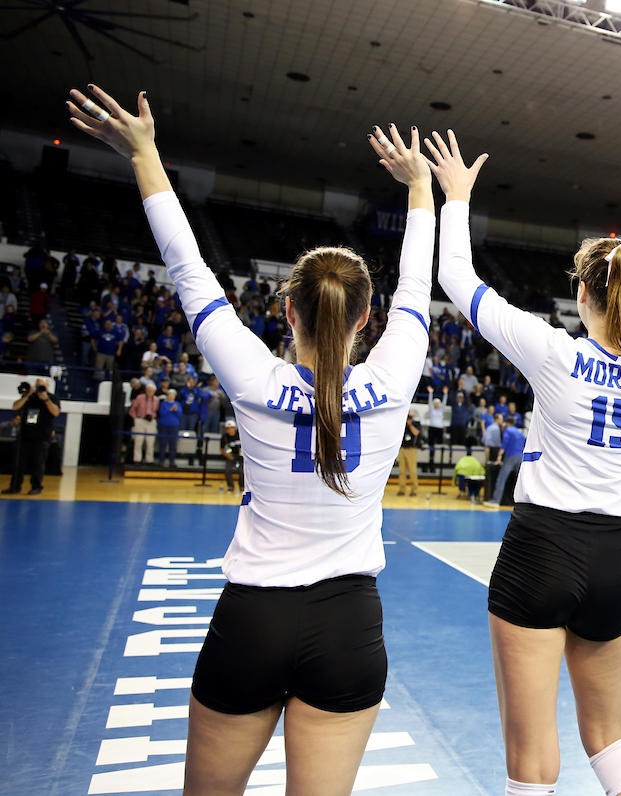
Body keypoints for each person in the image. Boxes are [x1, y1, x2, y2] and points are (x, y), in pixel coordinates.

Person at [66, 85, 435, 794]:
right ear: (365, 320)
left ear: (288, 311)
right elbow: (417, 288)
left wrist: (144, 153)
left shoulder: (254, 378)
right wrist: (420, 189)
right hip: (349, 625)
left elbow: (188, 270)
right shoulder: (393, 380)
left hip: (254, 618)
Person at [427, 127, 621, 796]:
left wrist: (457, 197)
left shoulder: (554, 351)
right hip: (615, 554)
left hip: (542, 547)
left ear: (582, 296)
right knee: (612, 743)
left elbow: (455, 277)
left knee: (531, 760)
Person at [2, 378, 60, 495]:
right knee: (18, 463)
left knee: (38, 464)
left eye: (42, 386)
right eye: (38, 385)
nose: (39, 388)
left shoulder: (52, 398)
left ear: (47, 386)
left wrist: (46, 399)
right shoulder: (30, 397)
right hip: (25, 435)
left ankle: (36, 486)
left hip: (42, 436)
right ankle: (15, 486)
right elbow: (15, 407)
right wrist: (27, 394)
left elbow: (55, 412)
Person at [486, 416, 526, 508]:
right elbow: (524, 445)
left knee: (501, 479)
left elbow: (505, 443)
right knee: (521, 481)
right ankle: (525, 503)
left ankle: (495, 501)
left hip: (511, 456)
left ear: (507, 423)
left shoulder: (507, 430)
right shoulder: (520, 432)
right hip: (520, 456)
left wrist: (499, 455)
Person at [128, 382, 160, 464]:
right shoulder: (140, 397)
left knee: (150, 442)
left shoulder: (156, 399)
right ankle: (137, 459)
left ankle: (149, 460)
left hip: (151, 421)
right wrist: (135, 418)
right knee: (138, 441)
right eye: (148, 390)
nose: (150, 392)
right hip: (140, 420)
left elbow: (156, 410)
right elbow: (132, 409)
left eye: (151, 391)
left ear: (154, 392)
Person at [397, 410, 421, 496]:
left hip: (411, 449)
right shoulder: (402, 423)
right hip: (402, 449)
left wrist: (410, 424)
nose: (409, 417)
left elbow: (416, 433)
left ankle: (414, 489)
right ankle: (402, 489)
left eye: (411, 416)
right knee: (402, 471)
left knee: (412, 471)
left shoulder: (416, 424)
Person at [158, 388, 182, 467]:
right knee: (163, 443)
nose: (171, 396)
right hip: (164, 425)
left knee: (173, 444)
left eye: (173, 395)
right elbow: (162, 413)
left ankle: (172, 461)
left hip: (174, 425)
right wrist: (170, 409)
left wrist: (176, 410)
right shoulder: (164, 403)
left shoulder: (177, 404)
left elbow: (179, 414)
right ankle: (161, 460)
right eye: (170, 394)